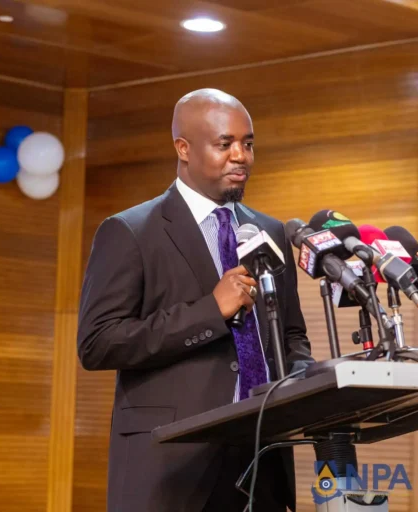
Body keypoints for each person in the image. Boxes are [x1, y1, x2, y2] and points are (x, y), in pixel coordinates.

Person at [77, 88, 313, 512]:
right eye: (225, 144)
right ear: (183, 148)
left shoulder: (270, 231)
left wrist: (302, 381)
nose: (241, 155)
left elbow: (291, 334)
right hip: (171, 466)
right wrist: (210, 311)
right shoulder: (130, 231)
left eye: (248, 143)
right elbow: (98, 343)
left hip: (262, 458)